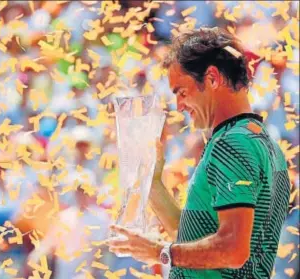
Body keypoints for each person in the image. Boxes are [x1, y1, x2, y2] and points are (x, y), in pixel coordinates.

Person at [108, 27, 291, 279]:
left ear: (213, 78)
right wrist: (152, 182)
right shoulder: (262, 143)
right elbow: (197, 238)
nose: (179, 106)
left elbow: (233, 250)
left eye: (181, 92)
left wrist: (161, 252)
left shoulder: (233, 144)